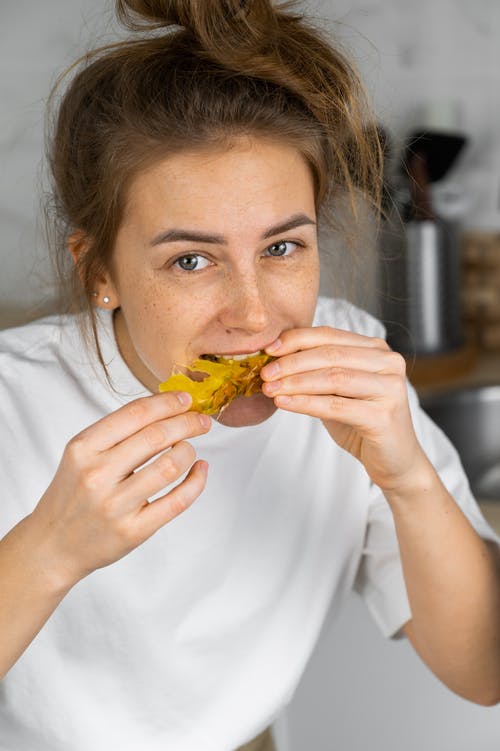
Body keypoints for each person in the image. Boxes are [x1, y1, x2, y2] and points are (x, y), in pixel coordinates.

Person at [0, 1, 499, 749]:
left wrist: (408, 477)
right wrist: (48, 547)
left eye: (282, 248)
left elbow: (483, 671)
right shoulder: (12, 399)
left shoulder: (355, 367)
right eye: (191, 261)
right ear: (99, 268)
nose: (253, 313)